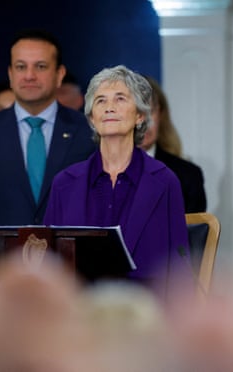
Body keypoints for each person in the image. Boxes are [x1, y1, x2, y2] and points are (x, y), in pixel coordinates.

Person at [44, 65, 192, 298]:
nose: (109, 107)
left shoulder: (164, 181)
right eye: (100, 101)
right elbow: (49, 265)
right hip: (79, 314)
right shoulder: (64, 183)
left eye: (120, 99)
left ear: (140, 116)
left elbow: (179, 269)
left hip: (143, 315)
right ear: (92, 119)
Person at [0, 29, 96, 227]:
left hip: (70, 256)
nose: (29, 75)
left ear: (59, 74)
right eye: (20, 67)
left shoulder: (88, 131)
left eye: (40, 66)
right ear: (10, 74)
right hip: (0, 257)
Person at [140, 76, 207, 213]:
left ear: (160, 114)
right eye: (137, 113)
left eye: (150, 112)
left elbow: (194, 233)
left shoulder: (189, 176)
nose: (144, 123)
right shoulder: (98, 173)